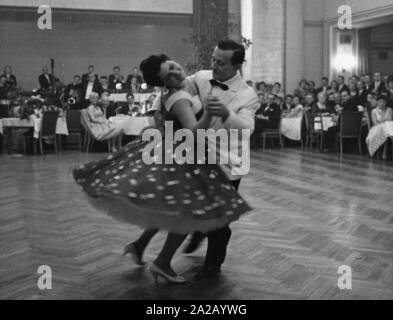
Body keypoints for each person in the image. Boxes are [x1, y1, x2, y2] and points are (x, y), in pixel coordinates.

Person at [73, 52, 253, 284]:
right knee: (187, 214)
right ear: (164, 83)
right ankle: (162, 263)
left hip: (176, 151)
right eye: (169, 75)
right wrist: (209, 111)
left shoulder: (177, 90)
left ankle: (139, 246)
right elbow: (193, 130)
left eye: (173, 67)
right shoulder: (179, 97)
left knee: (167, 209)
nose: (176, 72)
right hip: (184, 156)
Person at [123, 40, 259, 281]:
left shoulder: (248, 95)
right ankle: (169, 252)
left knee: (216, 220)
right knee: (187, 211)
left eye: (221, 62)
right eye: (213, 59)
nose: (214, 66)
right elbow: (172, 88)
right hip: (192, 156)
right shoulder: (203, 76)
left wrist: (226, 114)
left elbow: (247, 128)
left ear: (238, 65)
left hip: (225, 163)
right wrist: (158, 111)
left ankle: (211, 266)